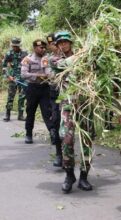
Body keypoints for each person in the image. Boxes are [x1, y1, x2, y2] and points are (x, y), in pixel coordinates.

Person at [51, 31, 93, 193]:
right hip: (68, 106)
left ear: (70, 43)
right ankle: (69, 175)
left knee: (86, 142)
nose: (63, 45)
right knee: (66, 139)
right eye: (60, 42)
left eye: (65, 42)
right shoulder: (54, 59)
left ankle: (84, 177)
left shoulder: (85, 58)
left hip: (85, 106)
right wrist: (84, 54)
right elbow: (63, 65)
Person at [21, 40, 55, 145]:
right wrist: (37, 75)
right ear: (35, 48)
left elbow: (48, 72)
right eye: (41, 48)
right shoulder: (28, 59)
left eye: (44, 48)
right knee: (30, 111)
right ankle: (28, 134)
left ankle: (53, 134)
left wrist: (48, 75)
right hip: (32, 88)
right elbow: (24, 74)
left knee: (47, 112)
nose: (43, 49)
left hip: (44, 88)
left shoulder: (46, 59)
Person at [45, 33, 63, 167]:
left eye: (56, 43)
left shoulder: (75, 55)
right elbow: (50, 75)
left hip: (72, 95)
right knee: (56, 122)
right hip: (56, 95)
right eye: (52, 44)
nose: (54, 46)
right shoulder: (50, 59)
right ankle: (59, 154)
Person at [2, 37, 28, 121]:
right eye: (13, 46)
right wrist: (8, 76)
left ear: (19, 45)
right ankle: (7, 114)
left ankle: (20, 115)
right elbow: (4, 67)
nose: (14, 47)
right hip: (13, 78)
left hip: (23, 78)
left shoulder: (25, 53)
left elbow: (29, 65)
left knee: (22, 97)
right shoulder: (9, 53)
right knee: (10, 96)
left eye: (16, 46)